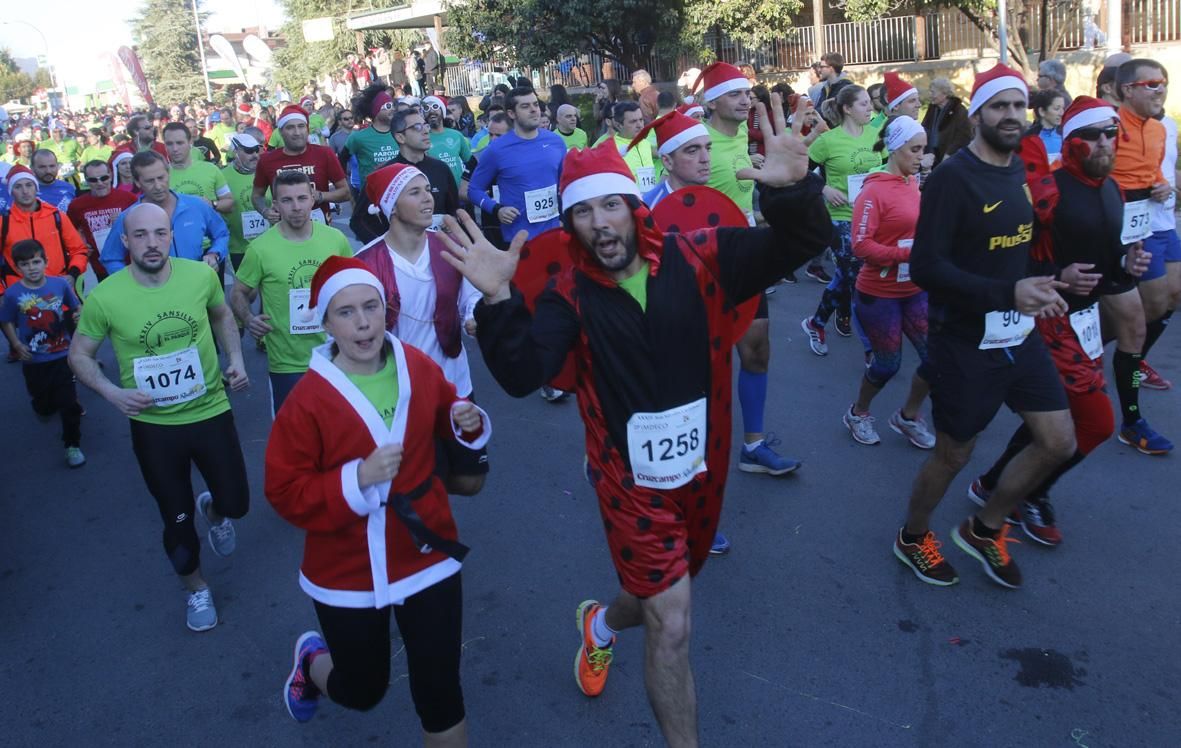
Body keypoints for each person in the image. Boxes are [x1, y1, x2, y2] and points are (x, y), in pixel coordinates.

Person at [445, 99, 828, 745]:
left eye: (610, 204)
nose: (600, 223)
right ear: (569, 224)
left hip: (702, 467)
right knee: (672, 622)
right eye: (583, 211)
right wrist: (500, 298)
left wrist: (793, 193)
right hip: (626, 479)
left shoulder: (701, 255)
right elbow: (521, 376)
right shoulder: (568, 292)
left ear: (634, 204)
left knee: (659, 596)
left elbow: (802, 243)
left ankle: (599, 623)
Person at [265, 255, 490, 740]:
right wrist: (357, 479)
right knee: (364, 690)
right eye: (346, 312)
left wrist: (463, 422)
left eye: (371, 307)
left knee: (441, 692)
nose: (363, 322)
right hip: (347, 569)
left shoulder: (415, 365)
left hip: (427, 550)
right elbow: (283, 491)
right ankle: (312, 663)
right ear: (324, 323)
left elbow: (449, 409)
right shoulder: (306, 400)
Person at [892, 63, 1077, 590]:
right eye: (1000, 106)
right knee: (954, 452)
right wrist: (1006, 293)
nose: (1012, 115)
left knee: (1059, 441)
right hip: (965, 339)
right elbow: (927, 267)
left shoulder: (1020, 167)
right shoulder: (953, 177)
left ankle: (984, 526)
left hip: (1020, 329)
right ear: (976, 115)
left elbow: (1018, 249)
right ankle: (912, 536)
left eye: (1019, 105)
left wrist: (1047, 282)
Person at [970, 96, 1152, 547]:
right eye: (1094, 136)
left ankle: (998, 483)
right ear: (1071, 142)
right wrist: (1056, 277)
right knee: (1096, 423)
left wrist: (1129, 264)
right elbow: (1002, 257)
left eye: (1112, 134)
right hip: (1044, 320)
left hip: (1081, 324)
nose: (1106, 143)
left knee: (1059, 416)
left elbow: (1106, 268)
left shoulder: (1112, 189)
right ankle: (1030, 493)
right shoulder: (1045, 192)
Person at [69, 202, 251, 631]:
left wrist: (237, 358)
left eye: (160, 233)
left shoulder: (200, 276)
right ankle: (197, 588)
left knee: (238, 502)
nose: (152, 243)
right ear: (125, 241)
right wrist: (113, 394)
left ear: (171, 236)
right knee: (176, 518)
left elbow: (222, 314)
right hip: (155, 426)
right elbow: (79, 355)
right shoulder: (106, 296)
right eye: (141, 235)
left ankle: (218, 512)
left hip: (211, 410)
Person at [697, 62, 805, 476]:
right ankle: (695, 463)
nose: (746, 101)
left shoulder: (742, 133)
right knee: (704, 366)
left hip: (747, 259)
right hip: (706, 265)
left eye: (747, 93)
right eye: (735, 95)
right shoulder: (697, 141)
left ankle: (753, 446)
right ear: (712, 102)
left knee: (757, 350)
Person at [355, 163, 488, 496]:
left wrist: (474, 317)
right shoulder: (365, 264)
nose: (429, 199)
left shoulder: (449, 247)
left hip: (455, 384)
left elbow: (470, 297)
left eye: (427, 190)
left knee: (472, 480)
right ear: (391, 207)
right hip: (403, 395)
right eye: (415, 193)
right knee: (424, 486)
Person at [841, 116, 935, 449]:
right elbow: (860, 245)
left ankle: (908, 416)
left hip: (914, 289)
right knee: (888, 364)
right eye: (914, 149)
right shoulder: (874, 190)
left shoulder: (912, 182)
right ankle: (858, 412)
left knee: (935, 357)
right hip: (879, 293)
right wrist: (906, 256)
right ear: (895, 148)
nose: (920, 157)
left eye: (923, 150)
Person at [230, 170, 353, 413]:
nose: (296, 207)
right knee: (295, 440)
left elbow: (352, 286)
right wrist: (248, 318)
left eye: (301, 198)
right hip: (287, 364)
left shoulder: (335, 240)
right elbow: (238, 292)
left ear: (312, 199)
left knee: (340, 436)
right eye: (287, 200)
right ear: (275, 205)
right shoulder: (260, 248)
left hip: (335, 356)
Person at [1104, 58, 1174, 454]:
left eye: (1163, 84)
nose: (1160, 90)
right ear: (1127, 89)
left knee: (1151, 310)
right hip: (1101, 238)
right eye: (1151, 84)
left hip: (1138, 235)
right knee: (1129, 325)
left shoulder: (1159, 130)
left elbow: (1150, 174)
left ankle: (1130, 417)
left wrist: (1161, 187)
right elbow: (1076, 172)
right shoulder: (1108, 126)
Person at [801, 84, 882, 352]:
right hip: (840, 216)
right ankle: (872, 347)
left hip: (872, 216)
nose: (870, 107)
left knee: (847, 276)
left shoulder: (877, 134)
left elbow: (887, 168)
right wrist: (824, 187)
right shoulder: (828, 140)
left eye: (870, 102)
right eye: (863, 103)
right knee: (855, 272)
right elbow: (801, 172)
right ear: (847, 109)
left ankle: (817, 321)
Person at [0, 239, 85, 467]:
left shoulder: (59, 284)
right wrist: (17, 344)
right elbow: (6, 321)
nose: (32, 268)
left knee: (68, 403)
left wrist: (79, 314)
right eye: (25, 264)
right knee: (44, 405)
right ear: (17, 268)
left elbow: (76, 306)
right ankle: (44, 404)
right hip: (34, 360)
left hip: (63, 357)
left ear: (46, 262)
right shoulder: (12, 294)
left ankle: (72, 445)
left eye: (36, 261)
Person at [99, 151, 230, 276]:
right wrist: (131, 281)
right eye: (150, 181)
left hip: (197, 286)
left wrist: (214, 254)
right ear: (138, 182)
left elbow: (221, 234)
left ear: (168, 174)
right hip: (153, 294)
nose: (158, 186)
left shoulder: (196, 205)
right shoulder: (129, 217)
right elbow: (110, 258)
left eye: (161, 178)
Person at [467, 87, 567, 246]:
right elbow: (473, 190)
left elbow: (564, 184)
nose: (534, 110)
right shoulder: (496, 150)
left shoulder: (555, 142)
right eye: (525, 106)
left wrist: (563, 218)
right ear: (511, 114)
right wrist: (496, 209)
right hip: (518, 240)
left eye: (535, 104)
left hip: (553, 234)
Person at [252, 105, 350, 226]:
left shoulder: (324, 154)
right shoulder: (267, 160)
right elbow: (257, 196)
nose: (297, 132)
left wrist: (320, 196)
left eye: (301, 126)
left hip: (320, 230)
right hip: (284, 230)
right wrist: (265, 211)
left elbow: (346, 192)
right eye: (290, 128)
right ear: (281, 132)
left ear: (307, 129)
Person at [1, 165, 88, 294]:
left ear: (36, 188)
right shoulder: (4, 222)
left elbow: (79, 250)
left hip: (58, 290)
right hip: (21, 296)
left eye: (29, 185)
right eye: (18, 186)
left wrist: (72, 274)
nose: (25, 191)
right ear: (11, 191)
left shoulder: (57, 216)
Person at [66, 159, 137, 282]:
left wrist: (124, 220)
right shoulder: (77, 205)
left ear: (110, 176)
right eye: (93, 180)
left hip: (130, 262)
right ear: (86, 181)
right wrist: (80, 244)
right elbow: (69, 232)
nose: (99, 183)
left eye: (103, 178)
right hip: (100, 266)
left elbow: (142, 226)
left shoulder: (129, 199)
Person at [391, 108, 460, 230]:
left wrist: (452, 221)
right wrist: (386, 245)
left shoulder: (441, 168)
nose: (426, 132)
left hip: (440, 244)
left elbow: (455, 209)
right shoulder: (388, 173)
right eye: (417, 127)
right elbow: (360, 220)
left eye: (426, 126)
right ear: (400, 137)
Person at [220, 131, 268, 271]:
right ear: (235, 152)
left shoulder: (266, 172)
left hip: (268, 243)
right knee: (247, 292)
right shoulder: (222, 177)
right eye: (248, 151)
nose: (254, 155)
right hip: (239, 247)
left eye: (256, 150)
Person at [162, 123, 233, 214]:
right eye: (169, 144)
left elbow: (229, 202)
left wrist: (212, 204)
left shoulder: (211, 169)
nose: (175, 148)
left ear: (190, 142)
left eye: (180, 143)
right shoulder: (161, 176)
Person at [423, 96, 475, 188]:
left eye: (435, 107)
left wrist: (467, 183)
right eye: (426, 108)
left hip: (459, 191)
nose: (431, 111)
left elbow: (470, 162)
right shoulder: (422, 137)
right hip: (436, 191)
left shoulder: (456, 135)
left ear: (442, 111)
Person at [920, 79, 972, 167]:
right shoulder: (933, 108)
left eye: (933, 92)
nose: (930, 95)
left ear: (944, 94)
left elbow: (964, 136)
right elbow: (924, 128)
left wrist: (949, 154)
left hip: (951, 158)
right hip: (931, 156)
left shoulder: (959, 110)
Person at [613, 102, 659, 191]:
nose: (639, 125)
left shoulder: (645, 143)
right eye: (633, 122)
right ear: (619, 125)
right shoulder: (612, 148)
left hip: (650, 199)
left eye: (641, 120)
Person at [1025, 89, 1066, 166]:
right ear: (1042, 111)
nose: (1062, 113)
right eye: (1057, 108)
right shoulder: (1028, 138)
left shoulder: (1065, 137)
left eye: (1063, 108)